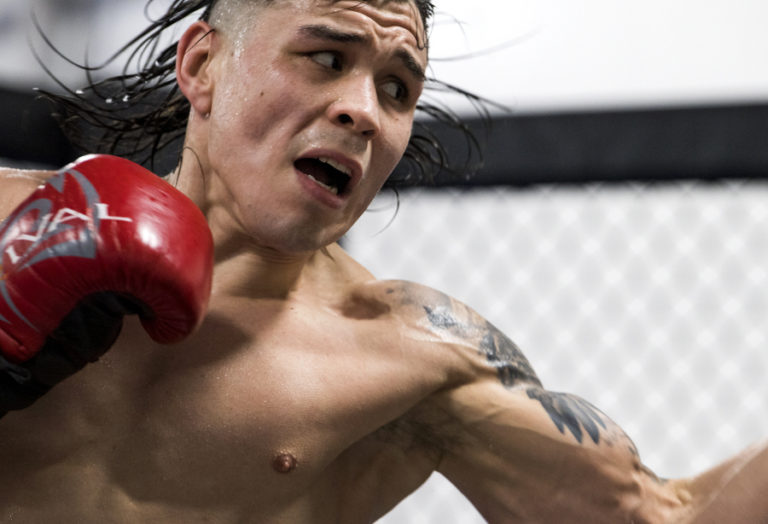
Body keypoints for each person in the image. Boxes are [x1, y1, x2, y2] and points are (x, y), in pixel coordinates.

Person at [0, 0, 767, 522]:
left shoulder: (414, 359)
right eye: (325, 57)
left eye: (397, 88)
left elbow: (668, 516)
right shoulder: (7, 216)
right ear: (203, 64)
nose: (364, 111)